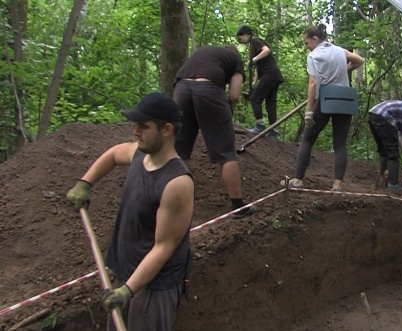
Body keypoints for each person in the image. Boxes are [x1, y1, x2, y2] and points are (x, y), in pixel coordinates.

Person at [66, 92, 194, 331]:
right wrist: (86, 183)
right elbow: (114, 154)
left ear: (166, 130)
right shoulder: (139, 154)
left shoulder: (176, 183)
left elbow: (163, 247)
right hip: (127, 270)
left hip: (154, 287)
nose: (136, 132)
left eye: (143, 127)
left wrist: (128, 290)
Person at [173, 45, 257, 218]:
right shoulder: (235, 59)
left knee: (177, 148)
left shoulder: (204, 53)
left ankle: (168, 199)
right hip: (208, 90)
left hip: (180, 89)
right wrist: (226, 110)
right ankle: (238, 205)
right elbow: (234, 95)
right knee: (225, 151)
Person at [281, 24, 364, 192]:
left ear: (315, 39)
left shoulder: (314, 56)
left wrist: (309, 110)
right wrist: (346, 69)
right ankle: (337, 186)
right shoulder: (339, 51)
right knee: (340, 145)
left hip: (326, 98)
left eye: (306, 43)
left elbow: (313, 83)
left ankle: (297, 181)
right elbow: (360, 61)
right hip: (345, 99)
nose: (307, 47)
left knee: (307, 139)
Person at [236, 25, 285, 138]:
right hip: (274, 75)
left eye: (241, 37)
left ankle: (260, 126)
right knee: (270, 104)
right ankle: (273, 130)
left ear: (247, 34)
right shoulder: (253, 46)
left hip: (270, 74)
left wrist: (253, 59)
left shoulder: (255, 41)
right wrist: (253, 83)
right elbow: (259, 67)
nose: (241, 40)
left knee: (255, 99)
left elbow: (266, 50)